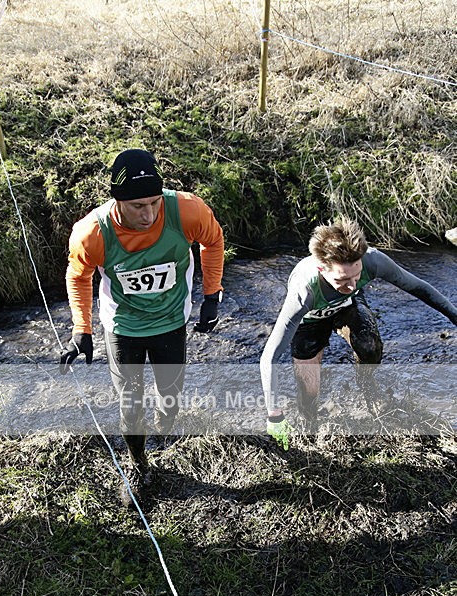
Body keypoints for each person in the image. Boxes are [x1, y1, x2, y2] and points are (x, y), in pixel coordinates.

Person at [61, 148, 224, 505]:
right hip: (124, 326)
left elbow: (213, 240)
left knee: (171, 391)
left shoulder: (187, 211)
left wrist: (212, 294)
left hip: (170, 321)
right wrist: (81, 329)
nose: (149, 214)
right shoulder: (92, 233)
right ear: (117, 200)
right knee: (130, 402)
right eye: (138, 206)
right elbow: (78, 276)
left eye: (154, 202)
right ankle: (138, 464)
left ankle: (165, 425)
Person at [260, 217, 457, 444]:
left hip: (348, 307)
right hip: (311, 320)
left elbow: (418, 287)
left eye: (357, 276)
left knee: (369, 346)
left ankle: (368, 388)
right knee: (309, 389)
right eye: (343, 279)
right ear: (321, 268)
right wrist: (273, 414)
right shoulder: (303, 291)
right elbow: (270, 356)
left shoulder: (372, 261)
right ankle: (310, 425)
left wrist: (454, 315)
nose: (353, 285)